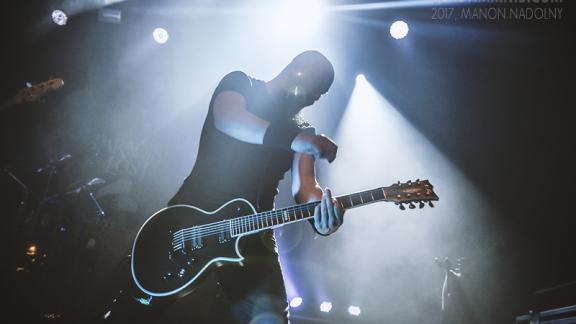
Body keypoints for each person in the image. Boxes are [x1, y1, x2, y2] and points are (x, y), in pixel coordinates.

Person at [164, 50, 344, 324]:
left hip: (252, 233)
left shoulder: (304, 131)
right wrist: (297, 140)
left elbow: (306, 187)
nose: (313, 98)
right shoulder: (241, 84)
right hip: (188, 219)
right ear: (298, 70)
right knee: (133, 301)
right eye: (315, 88)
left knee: (271, 318)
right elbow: (228, 118)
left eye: (320, 95)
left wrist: (323, 217)